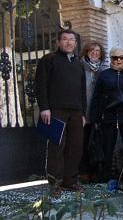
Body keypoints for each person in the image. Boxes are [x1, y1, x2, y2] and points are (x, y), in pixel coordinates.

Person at [35, 29, 86, 196]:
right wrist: (44, 108)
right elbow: (40, 85)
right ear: (58, 42)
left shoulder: (79, 64)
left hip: (76, 112)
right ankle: (55, 183)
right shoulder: (48, 60)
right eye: (65, 39)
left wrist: (83, 113)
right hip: (55, 110)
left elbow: (82, 91)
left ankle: (69, 181)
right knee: (57, 147)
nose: (68, 42)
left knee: (75, 147)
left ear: (76, 43)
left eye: (72, 39)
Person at [89, 48, 123, 182]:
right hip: (109, 117)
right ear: (110, 59)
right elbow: (96, 97)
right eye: (115, 58)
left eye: (121, 57)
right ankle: (105, 177)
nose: (118, 60)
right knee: (107, 148)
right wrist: (95, 117)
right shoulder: (104, 75)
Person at [79, 41, 106, 182]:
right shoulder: (79, 67)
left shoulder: (103, 70)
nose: (95, 52)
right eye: (91, 50)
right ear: (86, 52)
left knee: (96, 144)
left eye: (97, 50)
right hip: (83, 112)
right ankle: (83, 172)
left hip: (97, 113)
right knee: (82, 144)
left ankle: (96, 172)